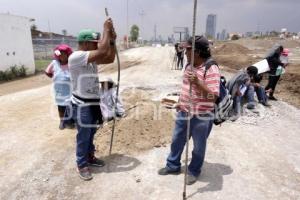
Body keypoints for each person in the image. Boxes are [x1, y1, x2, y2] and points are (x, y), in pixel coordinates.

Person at [158, 35, 220, 185]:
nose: (184, 53)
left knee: (199, 147)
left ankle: (193, 171)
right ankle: (172, 166)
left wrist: (198, 83)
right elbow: (185, 87)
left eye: (187, 50)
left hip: (202, 116)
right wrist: (180, 102)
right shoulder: (188, 65)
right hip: (184, 112)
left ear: (197, 52)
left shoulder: (211, 68)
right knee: (177, 140)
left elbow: (214, 96)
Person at [68, 18, 116, 181]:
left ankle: (89, 157)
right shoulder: (76, 56)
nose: (96, 45)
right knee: (83, 135)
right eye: (94, 43)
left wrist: (112, 40)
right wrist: (106, 29)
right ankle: (81, 164)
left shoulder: (89, 57)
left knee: (91, 132)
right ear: (86, 43)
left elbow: (109, 58)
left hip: (93, 102)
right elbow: (102, 51)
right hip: (82, 105)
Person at [45, 44, 74, 130]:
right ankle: (62, 122)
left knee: (70, 106)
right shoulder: (54, 63)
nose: (61, 56)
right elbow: (47, 72)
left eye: (63, 54)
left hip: (70, 90)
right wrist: (54, 77)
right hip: (59, 90)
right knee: (61, 107)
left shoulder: (71, 64)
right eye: (60, 54)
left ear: (68, 55)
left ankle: (71, 121)